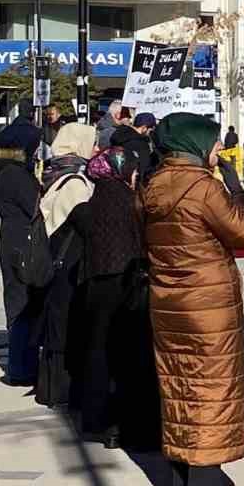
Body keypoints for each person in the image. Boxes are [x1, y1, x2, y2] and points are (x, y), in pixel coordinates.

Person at [144, 112, 244, 486]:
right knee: (212, 386)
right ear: (194, 145)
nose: (217, 151)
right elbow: (243, 233)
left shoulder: (152, 184)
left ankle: (177, 479)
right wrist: (236, 192)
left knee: (178, 383)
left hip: (167, 301)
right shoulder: (204, 188)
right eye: (212, 144)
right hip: (208, 305)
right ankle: (204, 485)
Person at [69, 147, 149, 448]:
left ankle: (96, 422)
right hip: (130, 286)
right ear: (122, 171)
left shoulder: (86, 208)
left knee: (98, 352)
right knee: (130, 355)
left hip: (95, 288)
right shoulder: (136, 204)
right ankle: (126, 424)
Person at [35, 123, 96, 410]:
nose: (95, 149)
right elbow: (85, 223)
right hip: (67, 259)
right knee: (64, 324)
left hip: (54, 256)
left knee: (55, 322)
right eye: (91, 143)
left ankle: (50, 387)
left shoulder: (54, 172)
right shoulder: (74, 182)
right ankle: (57, 390)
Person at [0, 123, 44, 383]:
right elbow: (35, 205)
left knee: (17, 300)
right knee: (22, 305)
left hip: (11, 239)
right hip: (22, 241)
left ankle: (21, 364)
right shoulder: (15, 174)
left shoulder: (6, 170)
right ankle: (21, 368)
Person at [111, 112, 158, 180]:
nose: (150, 133)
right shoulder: (141, 144)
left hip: (115, 179)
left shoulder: (118, 135)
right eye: (150, 130)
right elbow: (144, 168)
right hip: (134, 182)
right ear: (144, 128)